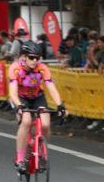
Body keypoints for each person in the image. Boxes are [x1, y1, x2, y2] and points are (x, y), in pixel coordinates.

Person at [8, 42, 69, 171]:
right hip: (20, 97)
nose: (35, 61)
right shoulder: (15, 68)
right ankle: (20, 160)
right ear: (24, 57)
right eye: (31, 57)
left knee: (46, 125)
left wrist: (60, 106)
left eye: (37, 58)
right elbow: (12, 93)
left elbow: (52, 89)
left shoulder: (42, 68)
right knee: (26, 122)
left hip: (37, 96)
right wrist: (19, 106)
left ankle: (40, 153)